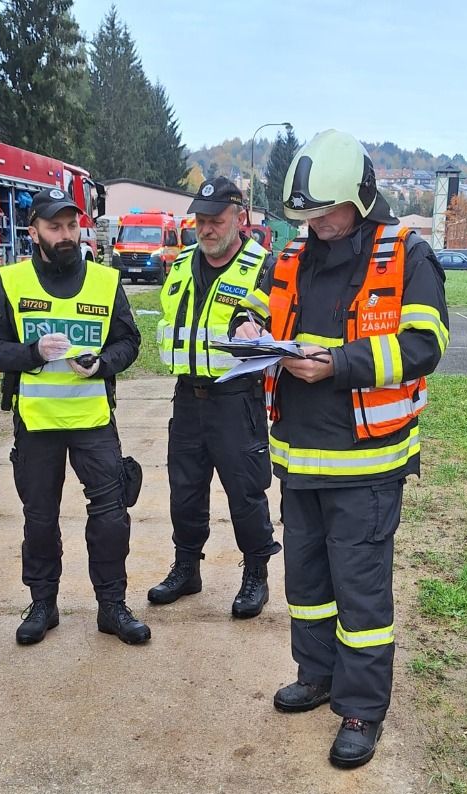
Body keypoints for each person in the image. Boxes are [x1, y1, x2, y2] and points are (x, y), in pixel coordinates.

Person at [234, 130, 449, 768]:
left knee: (361, 597)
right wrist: (246, 329)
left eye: (325, 212)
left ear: (361, 197)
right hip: (298, 459)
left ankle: (361, 709)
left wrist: (339, 364)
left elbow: (423, 346)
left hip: (368, 466)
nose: (316, 225)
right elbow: (252, 309)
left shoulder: (407, 255)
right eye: (306, 214)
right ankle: (317, 673)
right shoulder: (293, 254)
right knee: (307, 585)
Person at [0, 187, 150, 646]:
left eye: (72, 225)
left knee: (111, 516)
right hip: (37, 425)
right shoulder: (11, 282)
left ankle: (112, 606)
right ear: (34, 232)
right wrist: (31, 352)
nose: (67, 234)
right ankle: (42, 604)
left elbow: (129, 343)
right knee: (39, 519)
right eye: (56, 226)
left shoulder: (105, 282)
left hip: (93, 421)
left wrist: (103, 363)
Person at [148, 177, 281, 617]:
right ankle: (187, 568)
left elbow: (268, 317)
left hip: (235, 398)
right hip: (187, 396)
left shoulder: (265, 265)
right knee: (184, 491)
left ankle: (255, 574)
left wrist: (253, 324)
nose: (206, 229)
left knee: (245, 492)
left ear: (240, 218)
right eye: (200, 221)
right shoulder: (183, 262)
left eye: (215, 220)